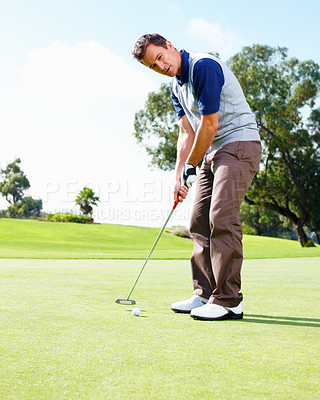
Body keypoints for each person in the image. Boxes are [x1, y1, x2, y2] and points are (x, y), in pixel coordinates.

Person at [132, 34, 261, 321]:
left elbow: (209, 123)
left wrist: (192, 164)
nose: (160, 66)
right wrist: (179, 175)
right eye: (153, 66)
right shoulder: (176, 88)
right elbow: (186, 133)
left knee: (221, 218)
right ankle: (204, 293)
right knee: (197, 220)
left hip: (239, 143)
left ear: (170, 47)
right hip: (213, 152)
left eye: (160, 58)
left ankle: (229, 300)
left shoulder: (203, 67)